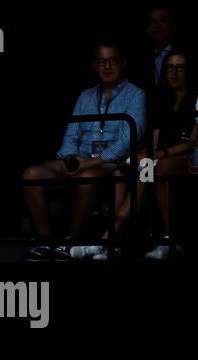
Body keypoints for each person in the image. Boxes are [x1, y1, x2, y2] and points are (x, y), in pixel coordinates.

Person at [21, 41, 148, 261]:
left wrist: (90, 163)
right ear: (94, 66)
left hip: (111, 162)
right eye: (101, 61)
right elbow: (72, 134)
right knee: (31, 174)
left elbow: (129, 140)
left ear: (123, 63)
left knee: (88, 176)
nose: (107, 66)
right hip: (79, 158)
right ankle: (44, 241)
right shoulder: (85, 95)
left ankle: (71, 240)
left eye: (112, 61)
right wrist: (71, 158)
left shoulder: (136, 94)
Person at [137, 50, 197, 258]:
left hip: (185, 156)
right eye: (170, 68)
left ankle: (170, 237)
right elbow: (154, 139)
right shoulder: (162, 100)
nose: (174, 73)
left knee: (158, 168)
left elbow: (192, 143)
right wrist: (147, 155)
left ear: (188, 71)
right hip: (162, 155)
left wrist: (161, 154)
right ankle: (120, 234)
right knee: (143, 167)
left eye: (179, 68)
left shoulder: (196, 98)